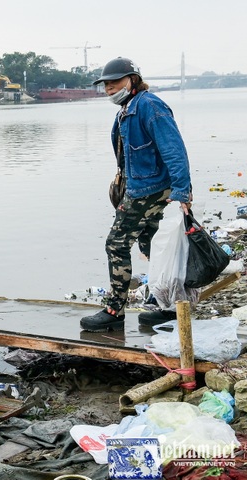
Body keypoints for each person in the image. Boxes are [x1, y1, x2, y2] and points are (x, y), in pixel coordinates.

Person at [80, 57, 192, 332]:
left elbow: (174, 150)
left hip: (149, 191)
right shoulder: (127, 109)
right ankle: (167, 304)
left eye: (115, 82)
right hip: (141, 188)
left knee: (116, 243)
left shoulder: (149, 106)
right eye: (106, 84)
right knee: (151, 245)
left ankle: (114, 310)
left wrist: (182, 192)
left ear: (132, 80)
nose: (109, 88)